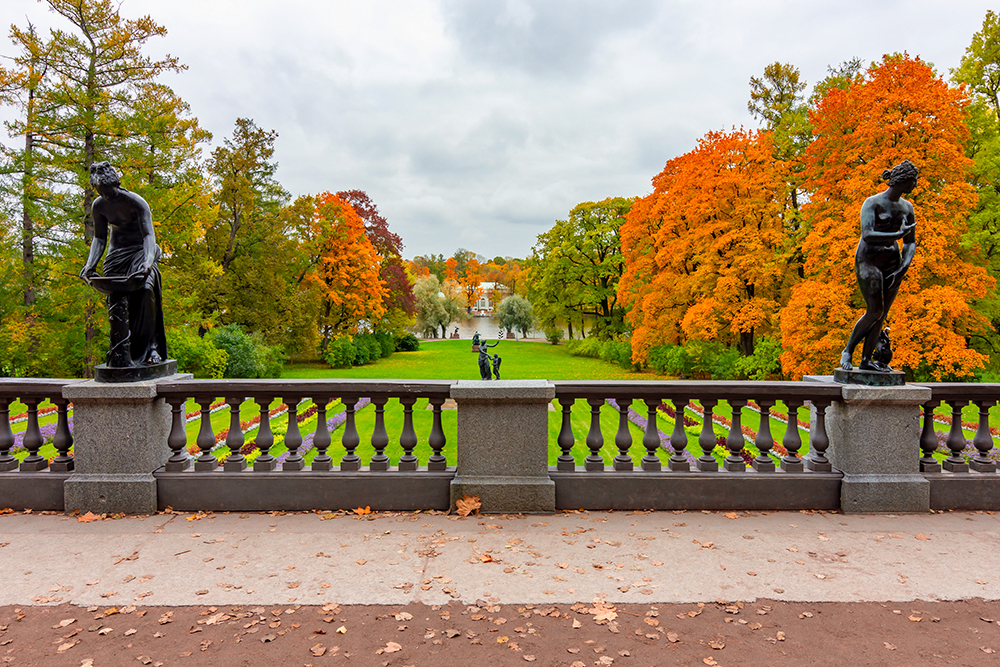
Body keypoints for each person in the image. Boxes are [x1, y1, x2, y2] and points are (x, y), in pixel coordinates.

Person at [80, 162, 168, 367]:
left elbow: (148, 235)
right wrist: (89, 264)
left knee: (146, 291)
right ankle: (121, 350)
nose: (106, 195)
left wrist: (147, 263)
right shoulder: (99, 205)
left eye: (108, 191)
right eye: (101, 192)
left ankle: (151, 347)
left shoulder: (137, 202)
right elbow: (99, 238)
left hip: (141, 251)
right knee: (116, 299)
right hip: (117, 255)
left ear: (116, 184)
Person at [839, 160, 918, 372]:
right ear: (902, 180)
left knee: (882, 315)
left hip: (892, 263)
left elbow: (910, 241)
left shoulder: (907, 207)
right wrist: (897, 235)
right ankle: (848, 350)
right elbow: (868, 234)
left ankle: (866, 361)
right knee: (874, 311)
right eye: (913, 180)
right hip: (868, 260)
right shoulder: (872, 203)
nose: (915, 184)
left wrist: (905, 265)